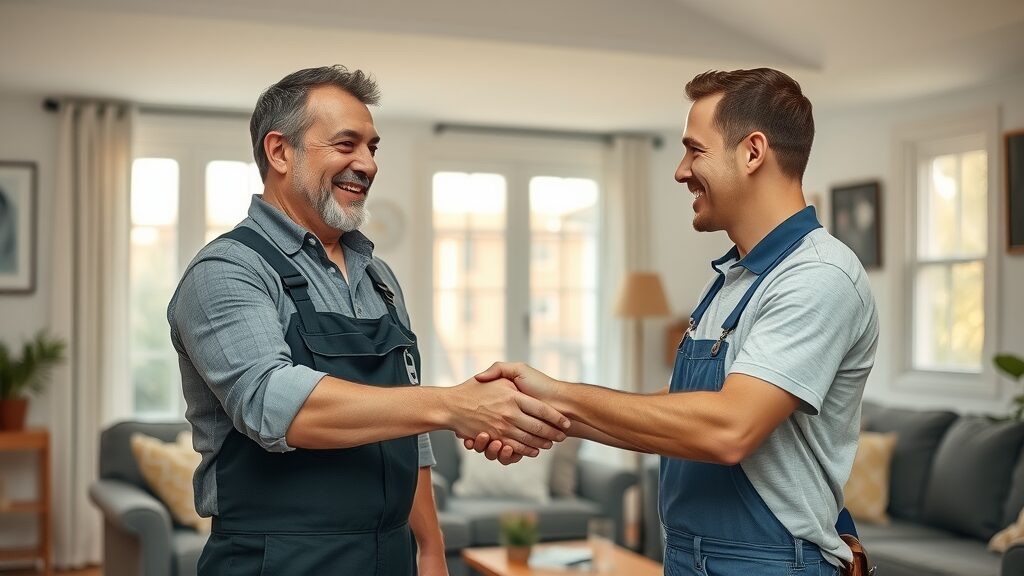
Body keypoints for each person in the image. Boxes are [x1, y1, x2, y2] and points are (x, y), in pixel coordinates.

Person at [469, 68, 879, 575]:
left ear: (753, 152)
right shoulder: (735, 277)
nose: (681, 171)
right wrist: (547, 416)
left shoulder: (817, 276)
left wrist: (559, 394)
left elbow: (729, 428)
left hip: (769, 563)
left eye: (694, 150)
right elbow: (680, 411)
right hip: (691, 554)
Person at [167, 65, 570, 576]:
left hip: (390, 556)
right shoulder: (227, 271)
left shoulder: (379, 278)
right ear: (280, 152)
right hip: (277, 560)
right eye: (345, 144)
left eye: (372, 148)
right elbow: (274, 404)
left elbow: (411, 427)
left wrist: (431, 548)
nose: (367, 164)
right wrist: (453, 405)